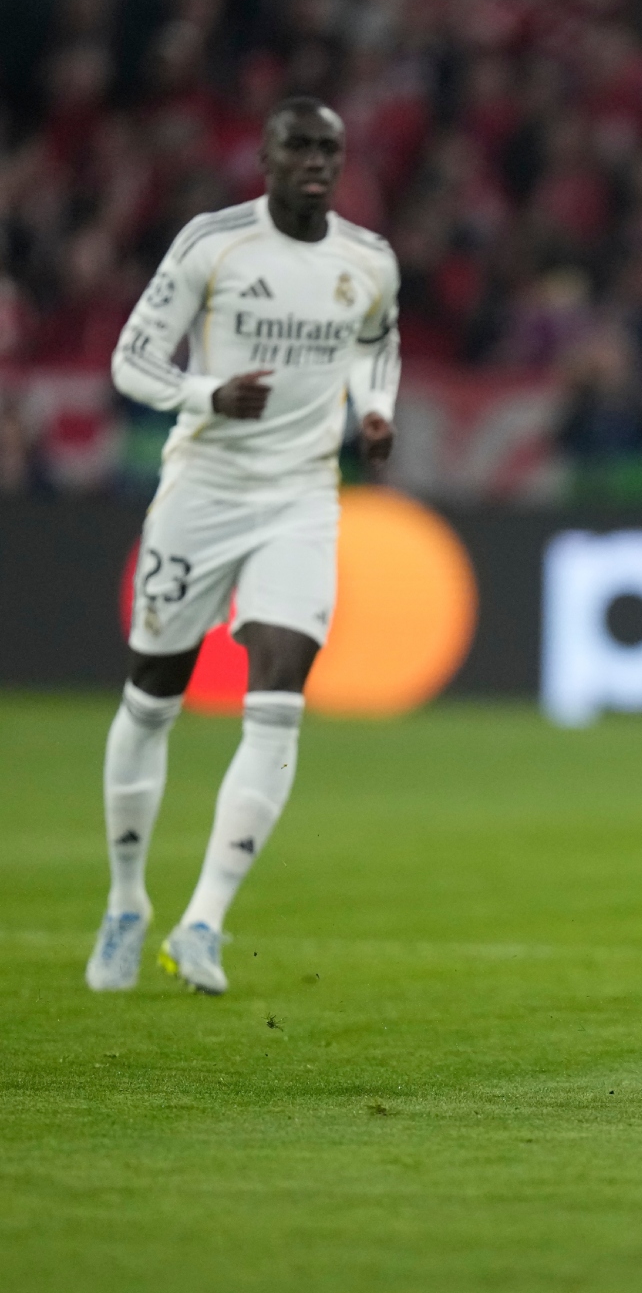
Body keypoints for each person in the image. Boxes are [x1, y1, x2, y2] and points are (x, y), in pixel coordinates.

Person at [85, 97, 400, 996]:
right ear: (263, 157)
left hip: (302, 495)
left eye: (329, 148)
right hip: (204, 494)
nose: (315, 160)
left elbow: (379, 349)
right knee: (152, 698)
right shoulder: (212, 244)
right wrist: (208, 394)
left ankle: (204, 921)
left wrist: (375, 413)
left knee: (280, 698)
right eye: (297, 145)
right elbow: (130, 360)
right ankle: (125, 902)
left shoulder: (367, 260)